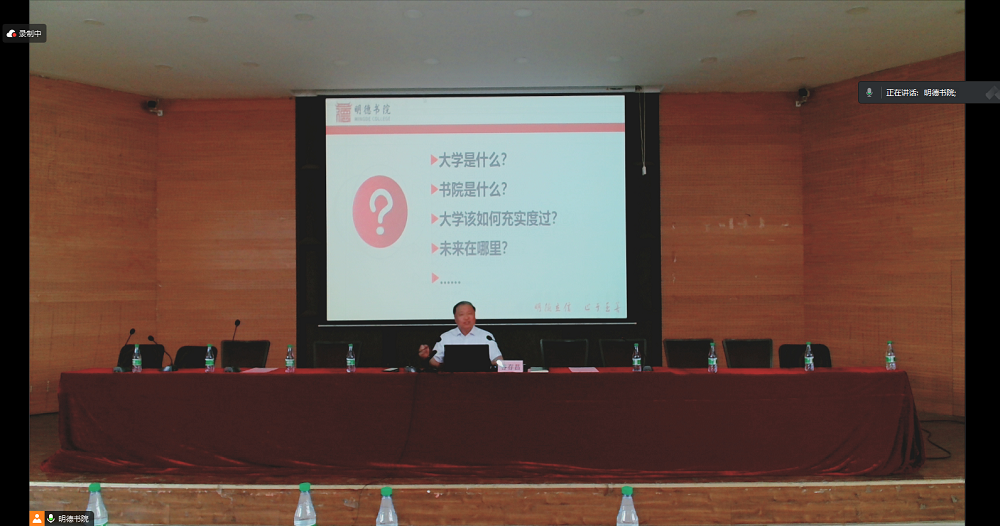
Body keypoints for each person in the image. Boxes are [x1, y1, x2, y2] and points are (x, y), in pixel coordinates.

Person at [418, 301, 502, 369]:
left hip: (481, 380)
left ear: (475, 316)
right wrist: (426, 357)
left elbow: (497, 359)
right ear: (455, 318)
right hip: (452, 380)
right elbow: (436, 363)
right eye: (461, 314)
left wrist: (499, 363)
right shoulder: (445, 337)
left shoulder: (486, 336)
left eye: (470, 313)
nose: (466, 317)